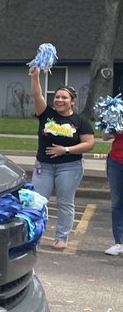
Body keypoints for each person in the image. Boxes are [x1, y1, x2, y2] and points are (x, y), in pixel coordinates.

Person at [28, 66, 94, 251]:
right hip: (44, 165)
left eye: (64, 97)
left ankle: (61, 238)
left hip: (69, 166)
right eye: (57, 97)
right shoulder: (46, 114)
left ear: (72, 102)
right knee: (37, 201)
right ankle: (35, 235)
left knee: (65, 202)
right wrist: (35, 77)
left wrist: (65, 149)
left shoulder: (81, 122)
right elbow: (36, 95)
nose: (59, 100)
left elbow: (89, 143)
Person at [104, 129, 123, 256]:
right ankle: (119, 243)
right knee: (117, 203)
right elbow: (105, 137)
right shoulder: (117, 110)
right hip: (116, 162)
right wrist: (109, 126)